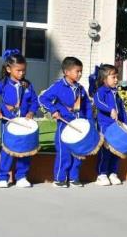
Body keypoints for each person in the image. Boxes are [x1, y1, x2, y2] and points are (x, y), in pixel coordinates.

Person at [0, 49, 38, 188]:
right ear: (8, 69)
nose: (22, 73)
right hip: (7, 123)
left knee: (25, 150)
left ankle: (21, 177)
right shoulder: (2, 84)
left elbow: (35, 101)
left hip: (24, 123)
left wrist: (31, 112)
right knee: (7, 150)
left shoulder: (28, 85)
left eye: (23, 70)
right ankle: (3, 177)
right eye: (18, 70)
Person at [38, 56, 93, 188]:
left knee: (78, 152)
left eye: (81, 71)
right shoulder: (58, 86)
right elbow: (43, 99)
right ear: (66, 72)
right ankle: (60, 178)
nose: (80, 74)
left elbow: (87, 106)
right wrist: (53, 110)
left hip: (79, 124)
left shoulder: (80, 89)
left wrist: (89, 121)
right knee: (64, 152)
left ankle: (74, 177)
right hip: (65, 124)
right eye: (77, 71)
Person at [93, 64, 127, 186]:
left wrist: (125, 124)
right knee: (105, 152)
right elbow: (98, 102)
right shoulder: (101, 91)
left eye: (116, 76)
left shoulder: (116, 93)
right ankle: (102, 174)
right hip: (105, 127)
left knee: (116, 151)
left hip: (117, 127)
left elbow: (122, 110)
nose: (116, 79)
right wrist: (110, 109)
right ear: (104, 79)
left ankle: (113, 173)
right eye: (113, 77)